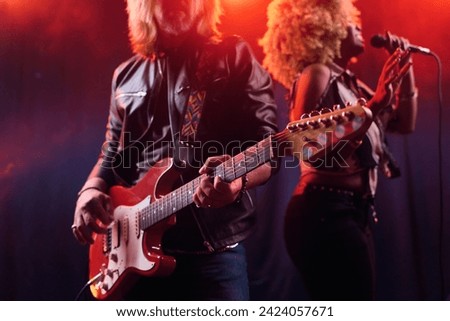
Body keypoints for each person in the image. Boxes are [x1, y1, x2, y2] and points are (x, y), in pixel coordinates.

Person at [71, 0, 278, 300]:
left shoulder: (232, 56)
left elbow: (268, 147)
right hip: (132, 261)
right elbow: (112, 154)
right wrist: (89, 191)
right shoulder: (125, 76)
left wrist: (238, 180)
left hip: (211, 257)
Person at [260, 0, 418, 300]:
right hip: (323, 213)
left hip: (351, 212)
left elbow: (404, 122)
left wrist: (404, 68)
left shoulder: (350, 83)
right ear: (322, 27)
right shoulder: (317, 72)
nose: (358, 25)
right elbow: (305, 145)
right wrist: (373, 106)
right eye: (347, 20)